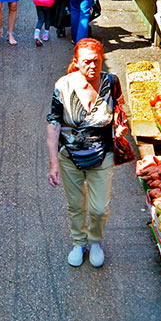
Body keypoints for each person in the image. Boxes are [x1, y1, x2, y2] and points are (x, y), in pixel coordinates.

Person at [46, 38, 125, 268]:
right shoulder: (63, 86)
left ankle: (95, 241)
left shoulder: (111, 82)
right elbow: (54, 124)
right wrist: (53, 164)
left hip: (102, 154)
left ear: (102, 60)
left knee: (99, 208)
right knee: (75, 205)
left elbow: (120, 108)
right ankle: (79, 242)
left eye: (96, 61)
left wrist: (121, 124)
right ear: (76, 62)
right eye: (86, 62)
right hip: (69, 156)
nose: (92, 66)